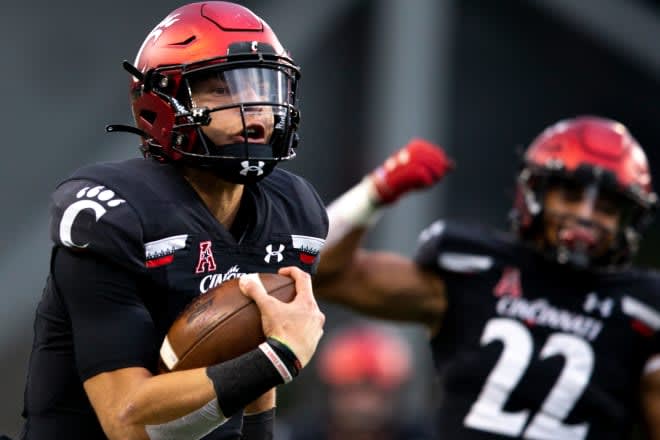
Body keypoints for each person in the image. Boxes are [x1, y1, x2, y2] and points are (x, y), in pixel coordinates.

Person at [19, 2, 328, 439]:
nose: (255, 110)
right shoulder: (113, 214)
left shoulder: (296, 210)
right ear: (163, 102)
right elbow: (126, 420)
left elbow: (254, 352)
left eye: (263, 85)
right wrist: (280, 357)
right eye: (222, 90)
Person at [313, 117, 660, 439]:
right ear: (536, 191)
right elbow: (325, 274)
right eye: (570, 195)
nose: (585, 217)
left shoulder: (644, 311)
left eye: (606, 208)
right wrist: (375, 192)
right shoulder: (475, 270)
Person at [284, 323, 437, 440]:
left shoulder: (424, 436)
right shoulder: (294, 435)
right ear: (330, 392)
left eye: (375, 393)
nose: (363, 406)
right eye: (351, 391)